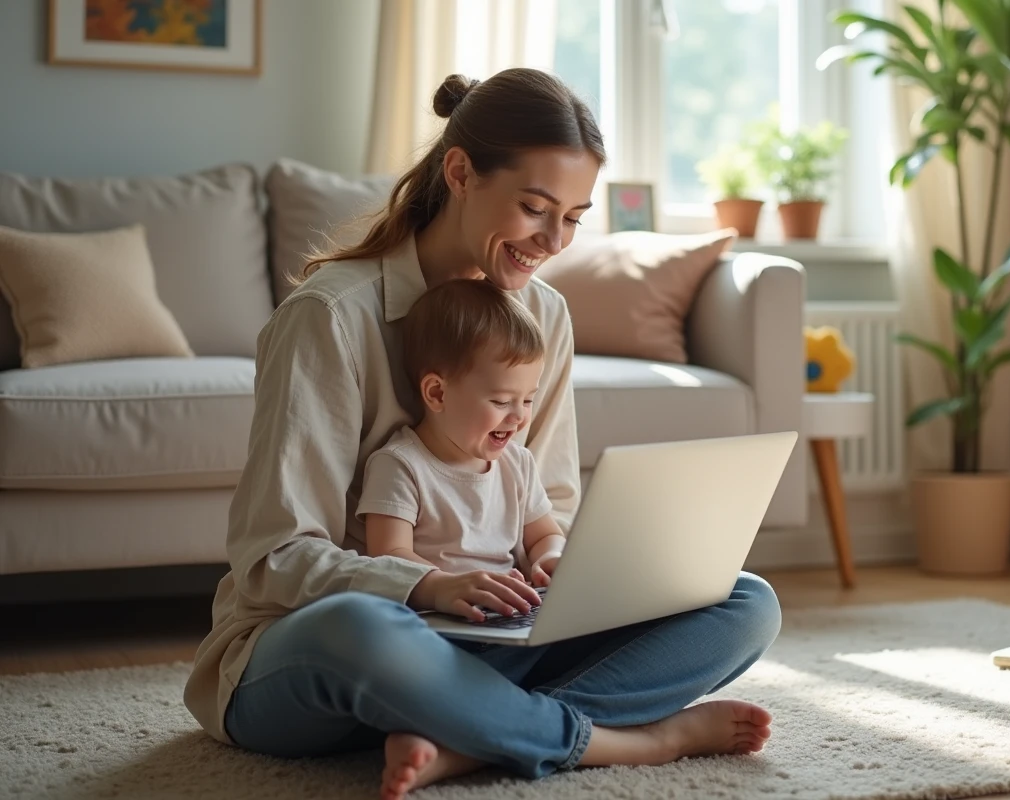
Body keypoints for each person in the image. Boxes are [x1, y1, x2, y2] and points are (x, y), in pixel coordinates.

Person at [183, 67, 782, 800]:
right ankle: (629, 740)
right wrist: (428, 586)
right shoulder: (331, 318)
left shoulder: (546, 318)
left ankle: (469, 739)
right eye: (535, 208)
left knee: (744, 601)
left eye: (573, 217)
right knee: (365, 631)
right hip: (331, 651)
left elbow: (548, 501)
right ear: (460, 172)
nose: (552, 240)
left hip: (487, 644)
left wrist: (561, 567)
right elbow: (274, 558)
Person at [359, 278, 566, 605]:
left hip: (509, 611)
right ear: (437, 393)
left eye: (527, 400)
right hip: (438, 618)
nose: (518, 417)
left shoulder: (517, 463)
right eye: (500, 402)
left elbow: (545, 534)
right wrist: (447, 586)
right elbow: (388, 554)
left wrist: (549, 557)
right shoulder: (400, 465)